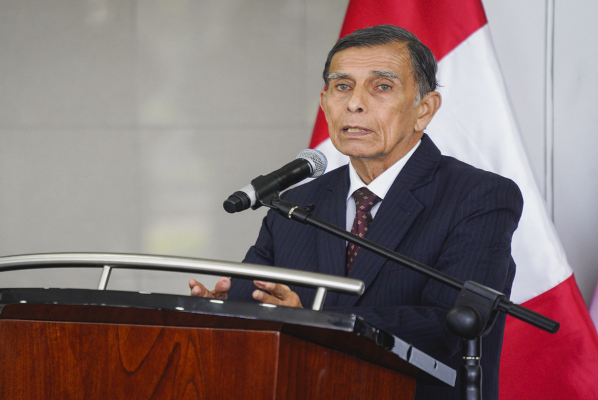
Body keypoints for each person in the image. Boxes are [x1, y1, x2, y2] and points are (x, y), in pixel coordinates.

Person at [189, 25, 522, 400]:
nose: (354, 104)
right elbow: (256, 299)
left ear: (424, 109)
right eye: (343, 86)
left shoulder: (479, 196)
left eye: (382, 86)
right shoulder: (294, 204)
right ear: (325, 102)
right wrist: (220, 312)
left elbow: (447, 325)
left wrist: (313, 322)